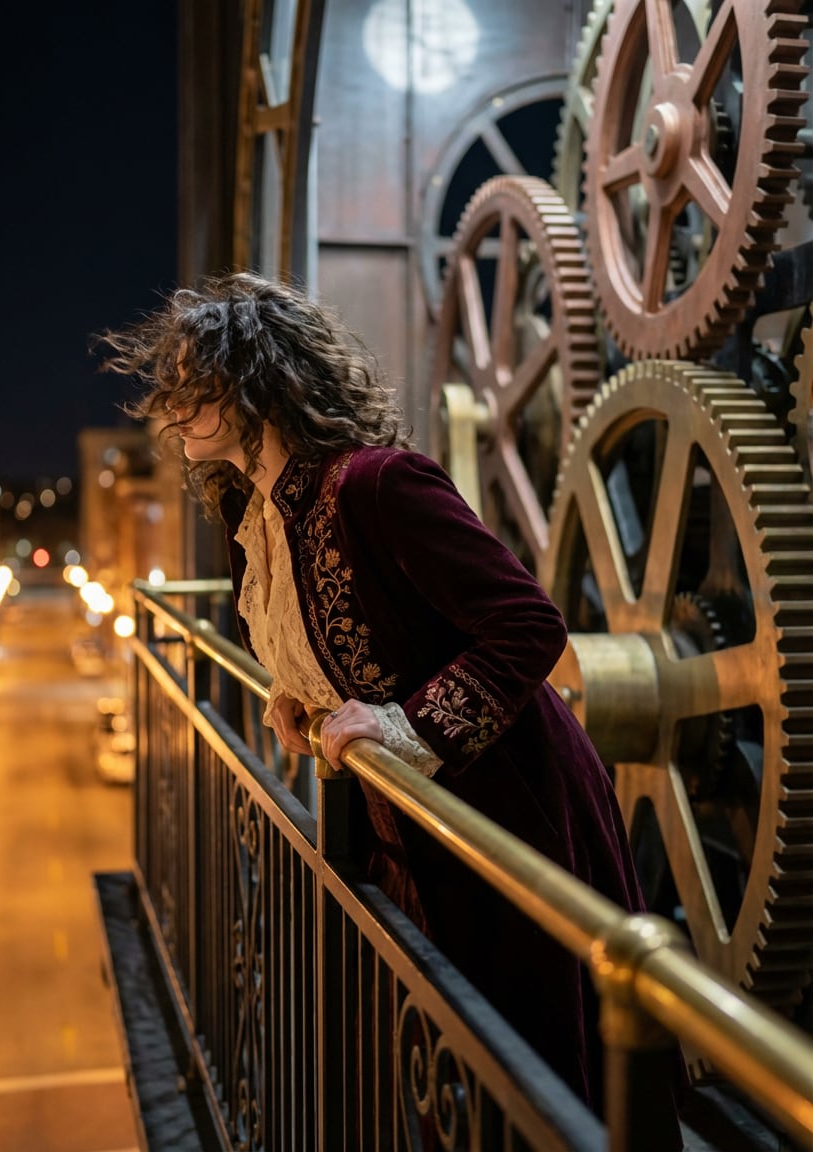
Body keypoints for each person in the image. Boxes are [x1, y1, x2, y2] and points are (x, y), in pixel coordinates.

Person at [98, 270, 682, 1141]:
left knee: (539, 1066)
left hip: (510, 807)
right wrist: (300, 694)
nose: (173, 404)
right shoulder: (255, 514)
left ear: (259, 381)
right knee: (456, 1063)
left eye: (196, 381)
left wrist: (409, 725)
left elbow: (528, 624)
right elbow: (334, 640)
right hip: (409, 830)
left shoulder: (377, 484)